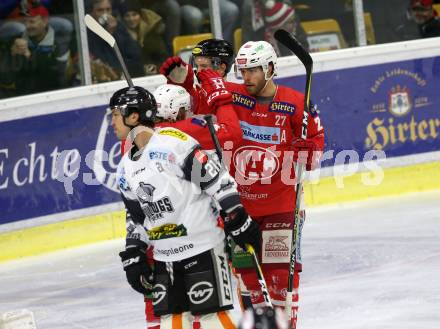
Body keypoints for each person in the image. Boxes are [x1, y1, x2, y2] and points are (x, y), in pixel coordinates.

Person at [160, 39, 325, 328]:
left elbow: (314, 155)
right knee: (249, 284)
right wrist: (185, 80)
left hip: (282, 209)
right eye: (242, 70)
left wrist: (306, 149)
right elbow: (198, 104)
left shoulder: (297, 103)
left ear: (270, 68)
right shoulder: (234, 96)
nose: (246, 77)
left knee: (280, 285)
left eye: (253, 71)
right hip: (240, 211)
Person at [110, 85, 261, 328]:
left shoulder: (174, 144)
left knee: (213, 319)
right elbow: (137, 218)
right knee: (173, 322)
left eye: (115, 114)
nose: (112, 121)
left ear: (134, 116)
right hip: (165, 254)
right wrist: (134, 253)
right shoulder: (124, 168)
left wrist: (237, 215)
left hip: (203, 247)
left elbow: (216, 179)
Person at [0, 4, 69, 97]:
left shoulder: (59, 43)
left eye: (32, 22)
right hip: (19, 98)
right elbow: (6, 80)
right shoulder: (14, 42)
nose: (27, 26)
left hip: (51, 97)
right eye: (25, 21)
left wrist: (30, 56)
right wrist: (12, 55)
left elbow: (58, 80)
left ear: (45, 22)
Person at [86, 0, 143, 82]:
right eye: (100, 10)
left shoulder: (118, 27)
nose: (105, 13)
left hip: (123, 74)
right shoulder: (87, 31)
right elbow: (100, 56)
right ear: (91, 13)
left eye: (108, 9)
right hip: (104, 76)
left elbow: (134, 53)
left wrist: (113, 33)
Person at [119, 0, 168, 75]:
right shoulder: (120, 34)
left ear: (140, 16)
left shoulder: (151, 31)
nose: (131, 19)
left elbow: (162, 56)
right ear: (123, 18)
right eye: (127, 16)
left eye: (134, 14)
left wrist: (156, 67)